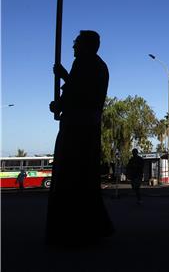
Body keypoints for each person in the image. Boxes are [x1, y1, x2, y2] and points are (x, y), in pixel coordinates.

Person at [47, 30, 114, 246]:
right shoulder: (98, 65)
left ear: (85, 45)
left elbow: (80, 94)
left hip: (77, 127)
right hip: (87, 127)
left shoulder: (85, 64)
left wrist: (60, 101)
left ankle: (70, 229)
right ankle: (87, 227)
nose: (73, 47)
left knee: (70, 176)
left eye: (76, 43)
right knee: (83, 176)